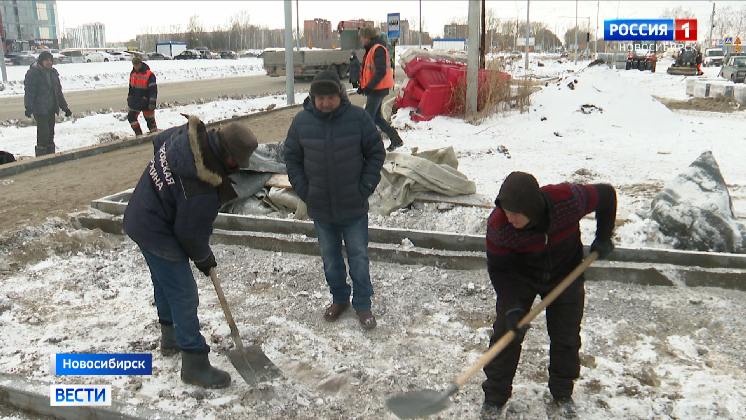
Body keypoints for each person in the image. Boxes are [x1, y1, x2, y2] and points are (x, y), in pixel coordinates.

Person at [124, 115, 258, 388]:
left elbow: (158, 140)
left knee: (165, 282)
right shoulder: (201, 188)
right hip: (155, 228)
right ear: (226, 155)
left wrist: (167, 186)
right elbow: (190, 235)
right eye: (236, 162)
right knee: (184, 292)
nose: (235, 168)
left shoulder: (187, 136)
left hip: (141, 212)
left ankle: (171, 337)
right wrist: (203, 257)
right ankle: (194, 362)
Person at [481, 172, 617, 420]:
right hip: (521, 277)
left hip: (566, 272)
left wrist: (604, 236)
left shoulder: (568, 200)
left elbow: (606, 195)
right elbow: (500, 271)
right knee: (506, 334)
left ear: (532, 207)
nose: (510, 218)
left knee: (566, 336)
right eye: (506, 211)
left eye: (515, 213)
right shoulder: (500, 226)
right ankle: (494, 398)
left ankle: (562, 394)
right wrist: (512, 306)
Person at [284, 70, 385, 330]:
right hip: (320, 207)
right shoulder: (301, 122)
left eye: (330, 97)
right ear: (312, 98)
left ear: (340, 96)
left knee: (359, 257)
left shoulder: (358, 118)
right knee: (330, 259)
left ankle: (363, 304)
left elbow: (376, 152)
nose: (325, 103)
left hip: (353, 206)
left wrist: (364, 188)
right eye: (320, 98)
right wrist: (305, 191)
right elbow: (291, 158)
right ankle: (340, 299)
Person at [358, 26, 404, 152]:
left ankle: (369, 147)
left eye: (362, 37)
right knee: (376, 118)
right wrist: (364, 87)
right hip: (376, 89)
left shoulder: (377, 49)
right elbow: (370, 72)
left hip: (377, 90)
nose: (361, 39)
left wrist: (369, 87)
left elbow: (380, 72)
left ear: (367, 37)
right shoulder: (373, 49)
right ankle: (396, 140)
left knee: (367, 118)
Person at [23, 51, 72, 157]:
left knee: (50, 134)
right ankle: (41, 158)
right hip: (39, 109)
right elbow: (29, 92)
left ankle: (51, 157)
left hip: (50, 108)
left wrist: (65, 108)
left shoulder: (53, 73)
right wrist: (28, 107)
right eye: (46, 60)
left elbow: (58, 92)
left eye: (50, 60)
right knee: (43, 133)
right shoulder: (33, 73)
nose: (49, 62)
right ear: (41, 61)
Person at [127, 56, 158, 136]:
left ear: (141, 64)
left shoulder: (149, 74)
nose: (136, 67)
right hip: (135, 101)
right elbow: (131, 87)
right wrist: (129, 97)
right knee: (131, 117)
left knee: (150, 122)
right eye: (134, 65)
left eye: (137, 65)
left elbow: (153, 90)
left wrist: (152, 102)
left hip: (146, 102)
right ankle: (139, 135)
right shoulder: (132, 73)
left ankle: (155, 137)